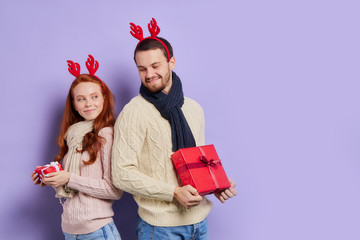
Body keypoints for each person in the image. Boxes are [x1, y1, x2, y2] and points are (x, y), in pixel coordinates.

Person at [111, 18, 237, 239]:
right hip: (160, 229)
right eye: (142, 69)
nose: (149, 74)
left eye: (155, 65)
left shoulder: (194, 108)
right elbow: (121, 174)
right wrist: (173, 192)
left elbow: (198, 162)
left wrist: (217, 183)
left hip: (200, 223)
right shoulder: (134, 112)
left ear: (172, 62)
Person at [31, 55, 123, 240]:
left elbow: (114, 190)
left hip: (97, 231)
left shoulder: (106, 134)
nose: (89, 103)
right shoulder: (73, 135)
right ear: (74, 104)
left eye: (94, 96)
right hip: (70, 230)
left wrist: (69, 178)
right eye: (81, 99)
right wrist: (51, 178)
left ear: (104, 98)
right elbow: (75, 183)